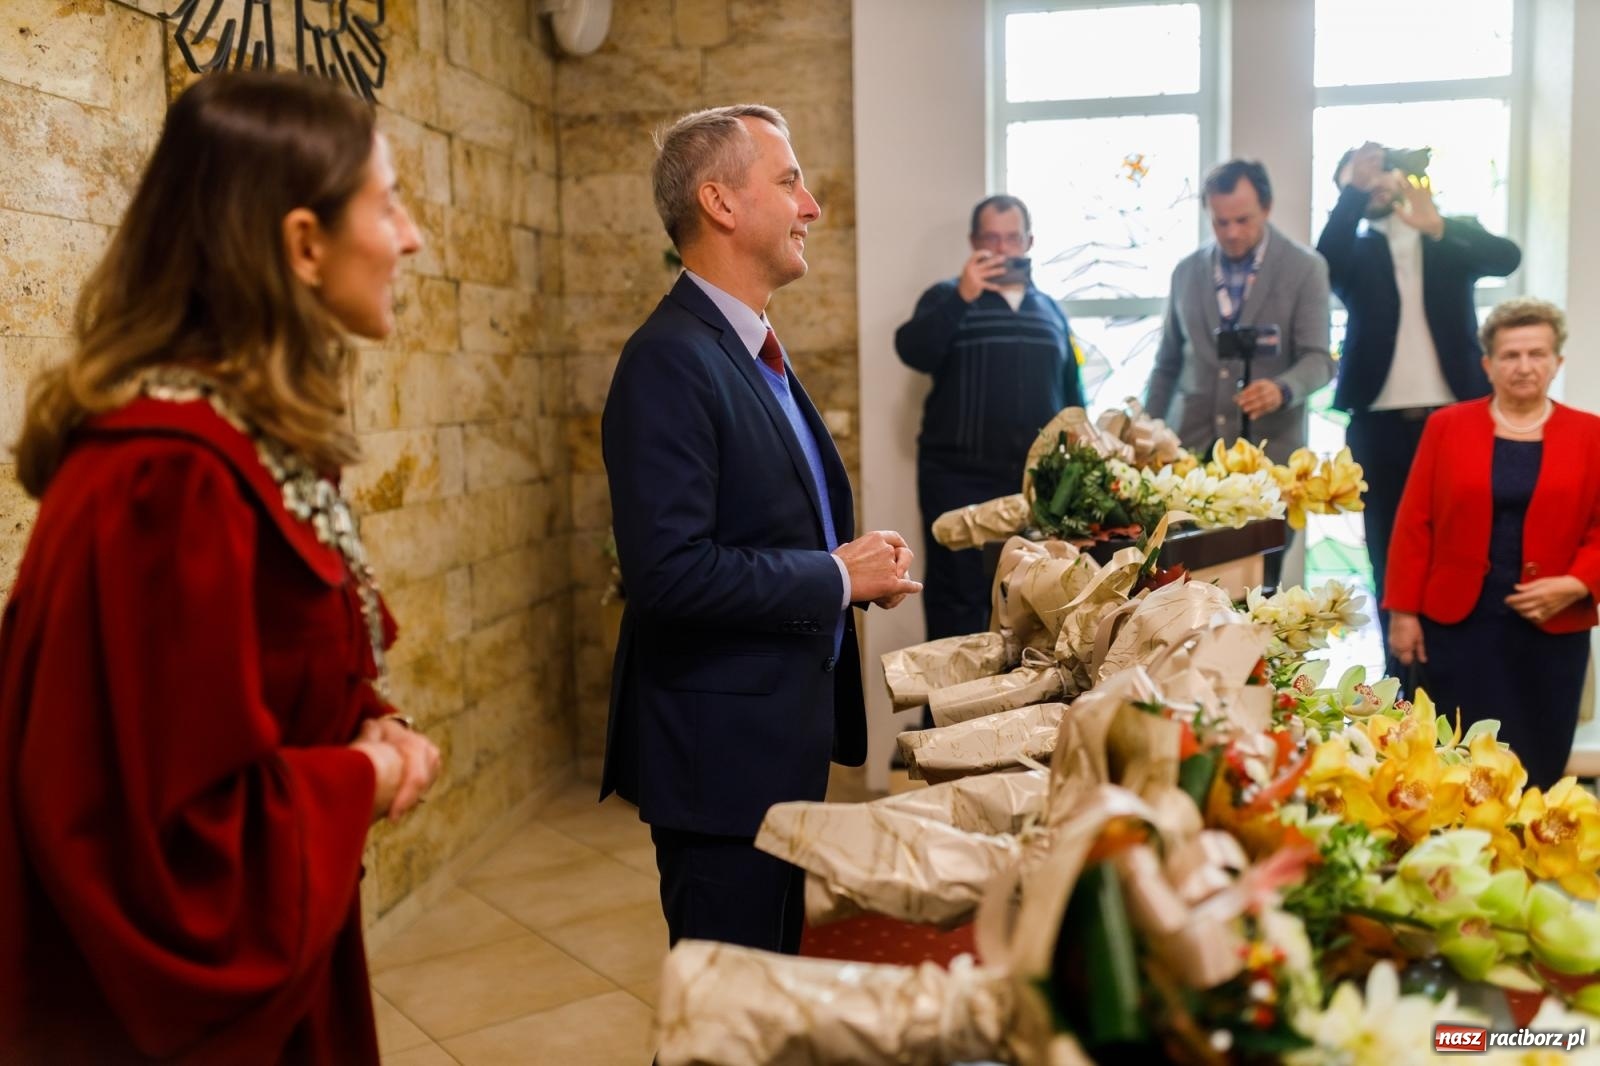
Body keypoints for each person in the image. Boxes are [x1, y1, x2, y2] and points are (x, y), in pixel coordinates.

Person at [0, 72, 439, 1063]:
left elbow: (256, 674)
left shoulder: (243, 440)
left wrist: (363, 714)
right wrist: (363, 776)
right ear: (301, 244)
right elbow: (163, 844)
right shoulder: (167, 481)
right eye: (389, 202)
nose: (410, 237)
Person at [601, 105, 922, 955]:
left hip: (777, 740)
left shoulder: (743, 346)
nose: (811, 205)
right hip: (721, 763)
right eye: (789, 181)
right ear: (721, 203)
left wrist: (851, 569)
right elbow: (669, 574)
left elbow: (763, 526)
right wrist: (836, 577)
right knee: (725, 1023)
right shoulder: (668, 357)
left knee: (764, 999)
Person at [1318, 141, 1522, 674]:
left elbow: (1507, 257)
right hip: (1379, 423)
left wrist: (1439, 227)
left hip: (1456, 416)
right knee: (1389, 551)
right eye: (1357, 182)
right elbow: (1324, 265)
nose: (1374, 185)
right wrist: (1353, 193)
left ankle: (1468, 664)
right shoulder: (1353, 251)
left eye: (1379, 175)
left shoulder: (1447, 235)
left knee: (1470, 544)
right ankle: (1402, 676)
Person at [1386, 298, 1600, 789]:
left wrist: (1576, 583)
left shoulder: (1590, 434)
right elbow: (1415, 521)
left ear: (1556, 362)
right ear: (1488, 364)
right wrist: (1403, 613)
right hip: (1459, 626)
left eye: (1537, 353)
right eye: (1510, 355)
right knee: (1457, 763)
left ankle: (1529, 857)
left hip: (1552, 624)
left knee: (1539, 760)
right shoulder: (1447, 426)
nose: (1524, 366)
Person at [895, 195, 1085, 642]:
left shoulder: (1051, 311)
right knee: (956, 599)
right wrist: (963, 295)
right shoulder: (948, 296)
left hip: (1032, 489)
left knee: (1030, 599)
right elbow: (912, 350)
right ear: (974, 242)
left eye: (1011, 238)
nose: (1002, 249)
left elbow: (1072, 398)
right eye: (991, 238)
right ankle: (942, 714)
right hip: (956, 480)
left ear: (1029, 241)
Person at [1144, 159, 1333, 465]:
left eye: (1243, 220)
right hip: (1191, 455)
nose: (1231, 232)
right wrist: (1146, 433)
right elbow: (1167, 364)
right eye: (1221, 222)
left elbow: (1319, 360)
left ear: (1267, 208)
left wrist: (1282, 389)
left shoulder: (1305, 269)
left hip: (1270, 460)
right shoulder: (1185, 272)